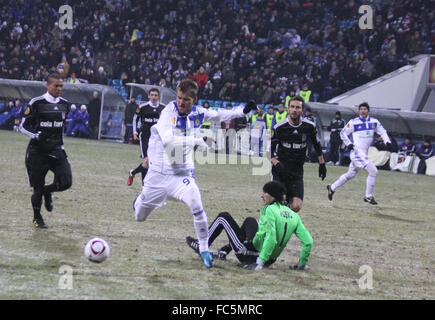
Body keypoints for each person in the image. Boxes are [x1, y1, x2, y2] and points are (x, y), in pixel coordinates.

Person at [132, 79, 258, 268]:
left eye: (186, 100)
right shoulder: (168, 112)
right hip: (157, 175)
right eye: (179, 98)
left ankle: (205, 250)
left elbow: (218, 115)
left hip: (181, 175)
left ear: (194, 99)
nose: (181, 103)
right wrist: (196, 141)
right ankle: (138, 201)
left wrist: (242, 111)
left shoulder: (198, 113)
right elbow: (167, 141)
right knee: (139, 217)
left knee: (197, 206)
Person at [185, 181, 313, 271]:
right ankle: (224, 251)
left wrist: (259, 263)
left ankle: (202, 246)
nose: (262, 195)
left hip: (250, 255)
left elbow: (271, 238)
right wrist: (302, 264)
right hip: (270, 259)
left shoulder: (269, 210)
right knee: (250, 221)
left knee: (223, 217)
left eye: (265, 192)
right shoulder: (294, 216)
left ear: (273, 196)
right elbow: (308, 242)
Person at [19, 73, 72, 228]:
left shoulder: (65, 104)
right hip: (38, 153)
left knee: (66, 182)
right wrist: (36, 135)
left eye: (61, 86)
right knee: (37, 188)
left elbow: (61, 128)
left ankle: (48, 192)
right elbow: (22, 126)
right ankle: (37, 218)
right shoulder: (36, 103)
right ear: (48, 85)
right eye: (56, 86)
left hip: (56, 150)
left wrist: (61, 146)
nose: (59, 89)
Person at [327, 102, 392, 205]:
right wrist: (348, 143)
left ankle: (332, 187)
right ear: (359, 111)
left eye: (365, 109)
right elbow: (343, 133)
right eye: (361, 109)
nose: (363, 111)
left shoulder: (374, 122)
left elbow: (382, 131)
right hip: (357, 153)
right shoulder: (353, 122)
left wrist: (387, 141)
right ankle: (368, 196)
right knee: (373, 171)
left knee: (350, 175)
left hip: (363, 153)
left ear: (368, 111)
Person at [271, 96, 326, 213]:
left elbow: (317, 145)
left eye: (298, 107)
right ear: (288, 109)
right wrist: (276, 163)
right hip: (280, 171)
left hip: (296, 172)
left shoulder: (309, 126)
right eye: (292, 107)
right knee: (279, 201)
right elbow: (270, 153)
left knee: (296, 206)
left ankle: (284, 218)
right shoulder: (279, 128)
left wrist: (322, 164)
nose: (294, 110)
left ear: (302, 110)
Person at [127, 88, 165, 186]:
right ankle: (145, 185)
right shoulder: (143, 107)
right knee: (147, 161)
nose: (153, 97)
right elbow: (135, 118)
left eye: (155, 95)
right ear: (148, 96)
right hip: (145, 137)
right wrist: (135, 132)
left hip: (158, 139)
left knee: (151, 163)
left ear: (158, 97)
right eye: (152, 95)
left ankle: (133, 173)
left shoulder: (163, 108)